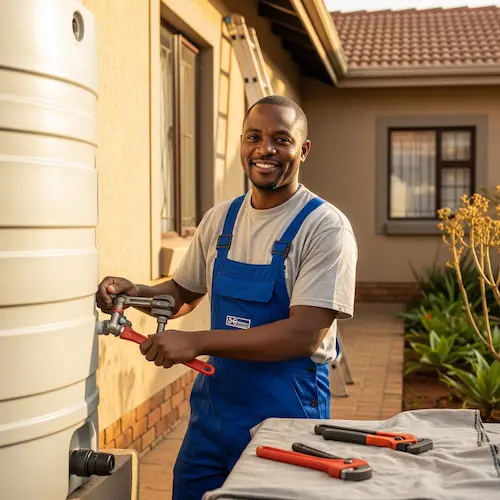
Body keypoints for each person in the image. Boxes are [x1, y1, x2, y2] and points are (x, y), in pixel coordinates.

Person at [96, 95, 358, 499]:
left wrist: (197, 341)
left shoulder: (325, 228)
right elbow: (183, 292)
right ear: (241, 145)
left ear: (303, 150)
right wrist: (138, 295)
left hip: (286, 415)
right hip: (213, 415)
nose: (264, 149)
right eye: (254, 137)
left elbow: (303, 334)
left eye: (280, 139)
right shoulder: (221, 219)